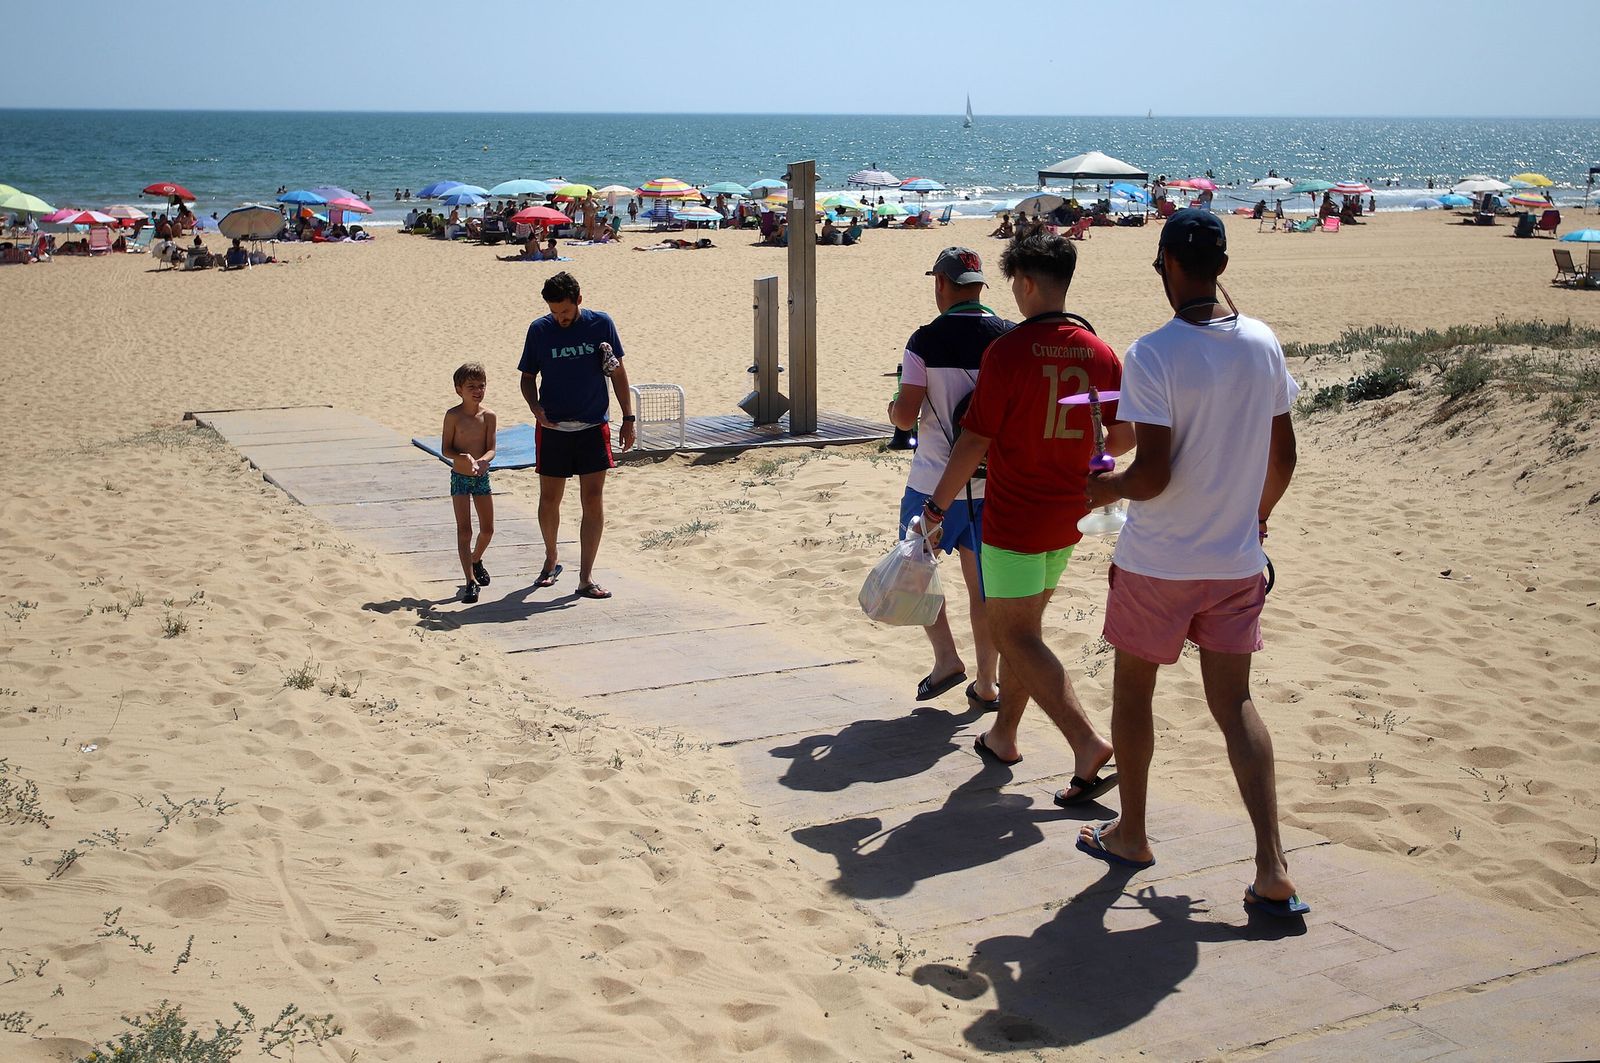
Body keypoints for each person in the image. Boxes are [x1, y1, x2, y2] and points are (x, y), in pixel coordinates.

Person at [1078, 208, 1306, 917]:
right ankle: (1272, 865)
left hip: (1159, 560)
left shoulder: (1154, 352)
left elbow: (1152, 476)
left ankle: (1132, 832)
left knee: (1133, 693)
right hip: (1234, 560)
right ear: (1222, 267)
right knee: (1235, 705)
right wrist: (1255, 518)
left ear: (1170, 266)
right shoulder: (1263, 342)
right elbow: (1284, 457)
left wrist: (1104, 488)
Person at [923, 228, 1127, 798]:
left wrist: (937, 505)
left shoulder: (1008, 351)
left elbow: (974, 440)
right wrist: (1085, 451)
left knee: (1014, 634)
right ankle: (1004, 733)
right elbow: (1124, 434)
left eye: (1014, 281)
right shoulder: (1099, 351)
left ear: (1028, 283)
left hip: (1015, 516)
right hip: (1072, 514)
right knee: (1024, 631)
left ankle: (1086, 742)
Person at [886, 248, 1010, 713]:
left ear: (941, 283)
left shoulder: (925, 340)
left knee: (915, 568)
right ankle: (988, 682)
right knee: (983, 590)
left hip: (933, 483)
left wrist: (893, 409)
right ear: (979, 286)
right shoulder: (1008, 336)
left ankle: (945, 659)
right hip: (992, 484)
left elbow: (905, 417)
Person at [518, 271, 636, 600]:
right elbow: (527, 377)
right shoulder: (539, 330)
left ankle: (585, 577)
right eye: (554, 311)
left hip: (593, 426)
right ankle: (551, 558)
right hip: (553, 428)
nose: (560, 317)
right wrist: (535, 407)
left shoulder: (601, 324)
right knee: (549, 500)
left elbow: (618, 372)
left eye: (565, 311)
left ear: (579, 300)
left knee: (593, 500)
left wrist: (628, 417)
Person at [442, 363, 498, 604]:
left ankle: (476, 559)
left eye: (481, 386)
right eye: (471, 387)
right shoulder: (453, 416)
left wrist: (484, 460)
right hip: (460, 479)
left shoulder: (489, 416)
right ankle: (470, 581)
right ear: (459, 390)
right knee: (465, 530)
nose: (477, 391)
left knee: (488, 529)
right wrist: (462, 457)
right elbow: (446, 449)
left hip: (481, 478)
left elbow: (491, 448)